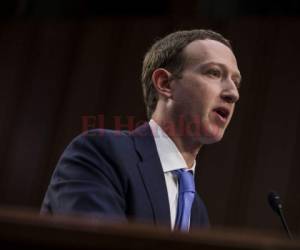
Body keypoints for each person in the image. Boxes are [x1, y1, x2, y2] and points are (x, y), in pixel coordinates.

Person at [41, 29, 241, 231]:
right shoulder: (102, 154)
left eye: (236, 82)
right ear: (165, 84)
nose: (233, 93)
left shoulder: (198, 214)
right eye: (214, 73)